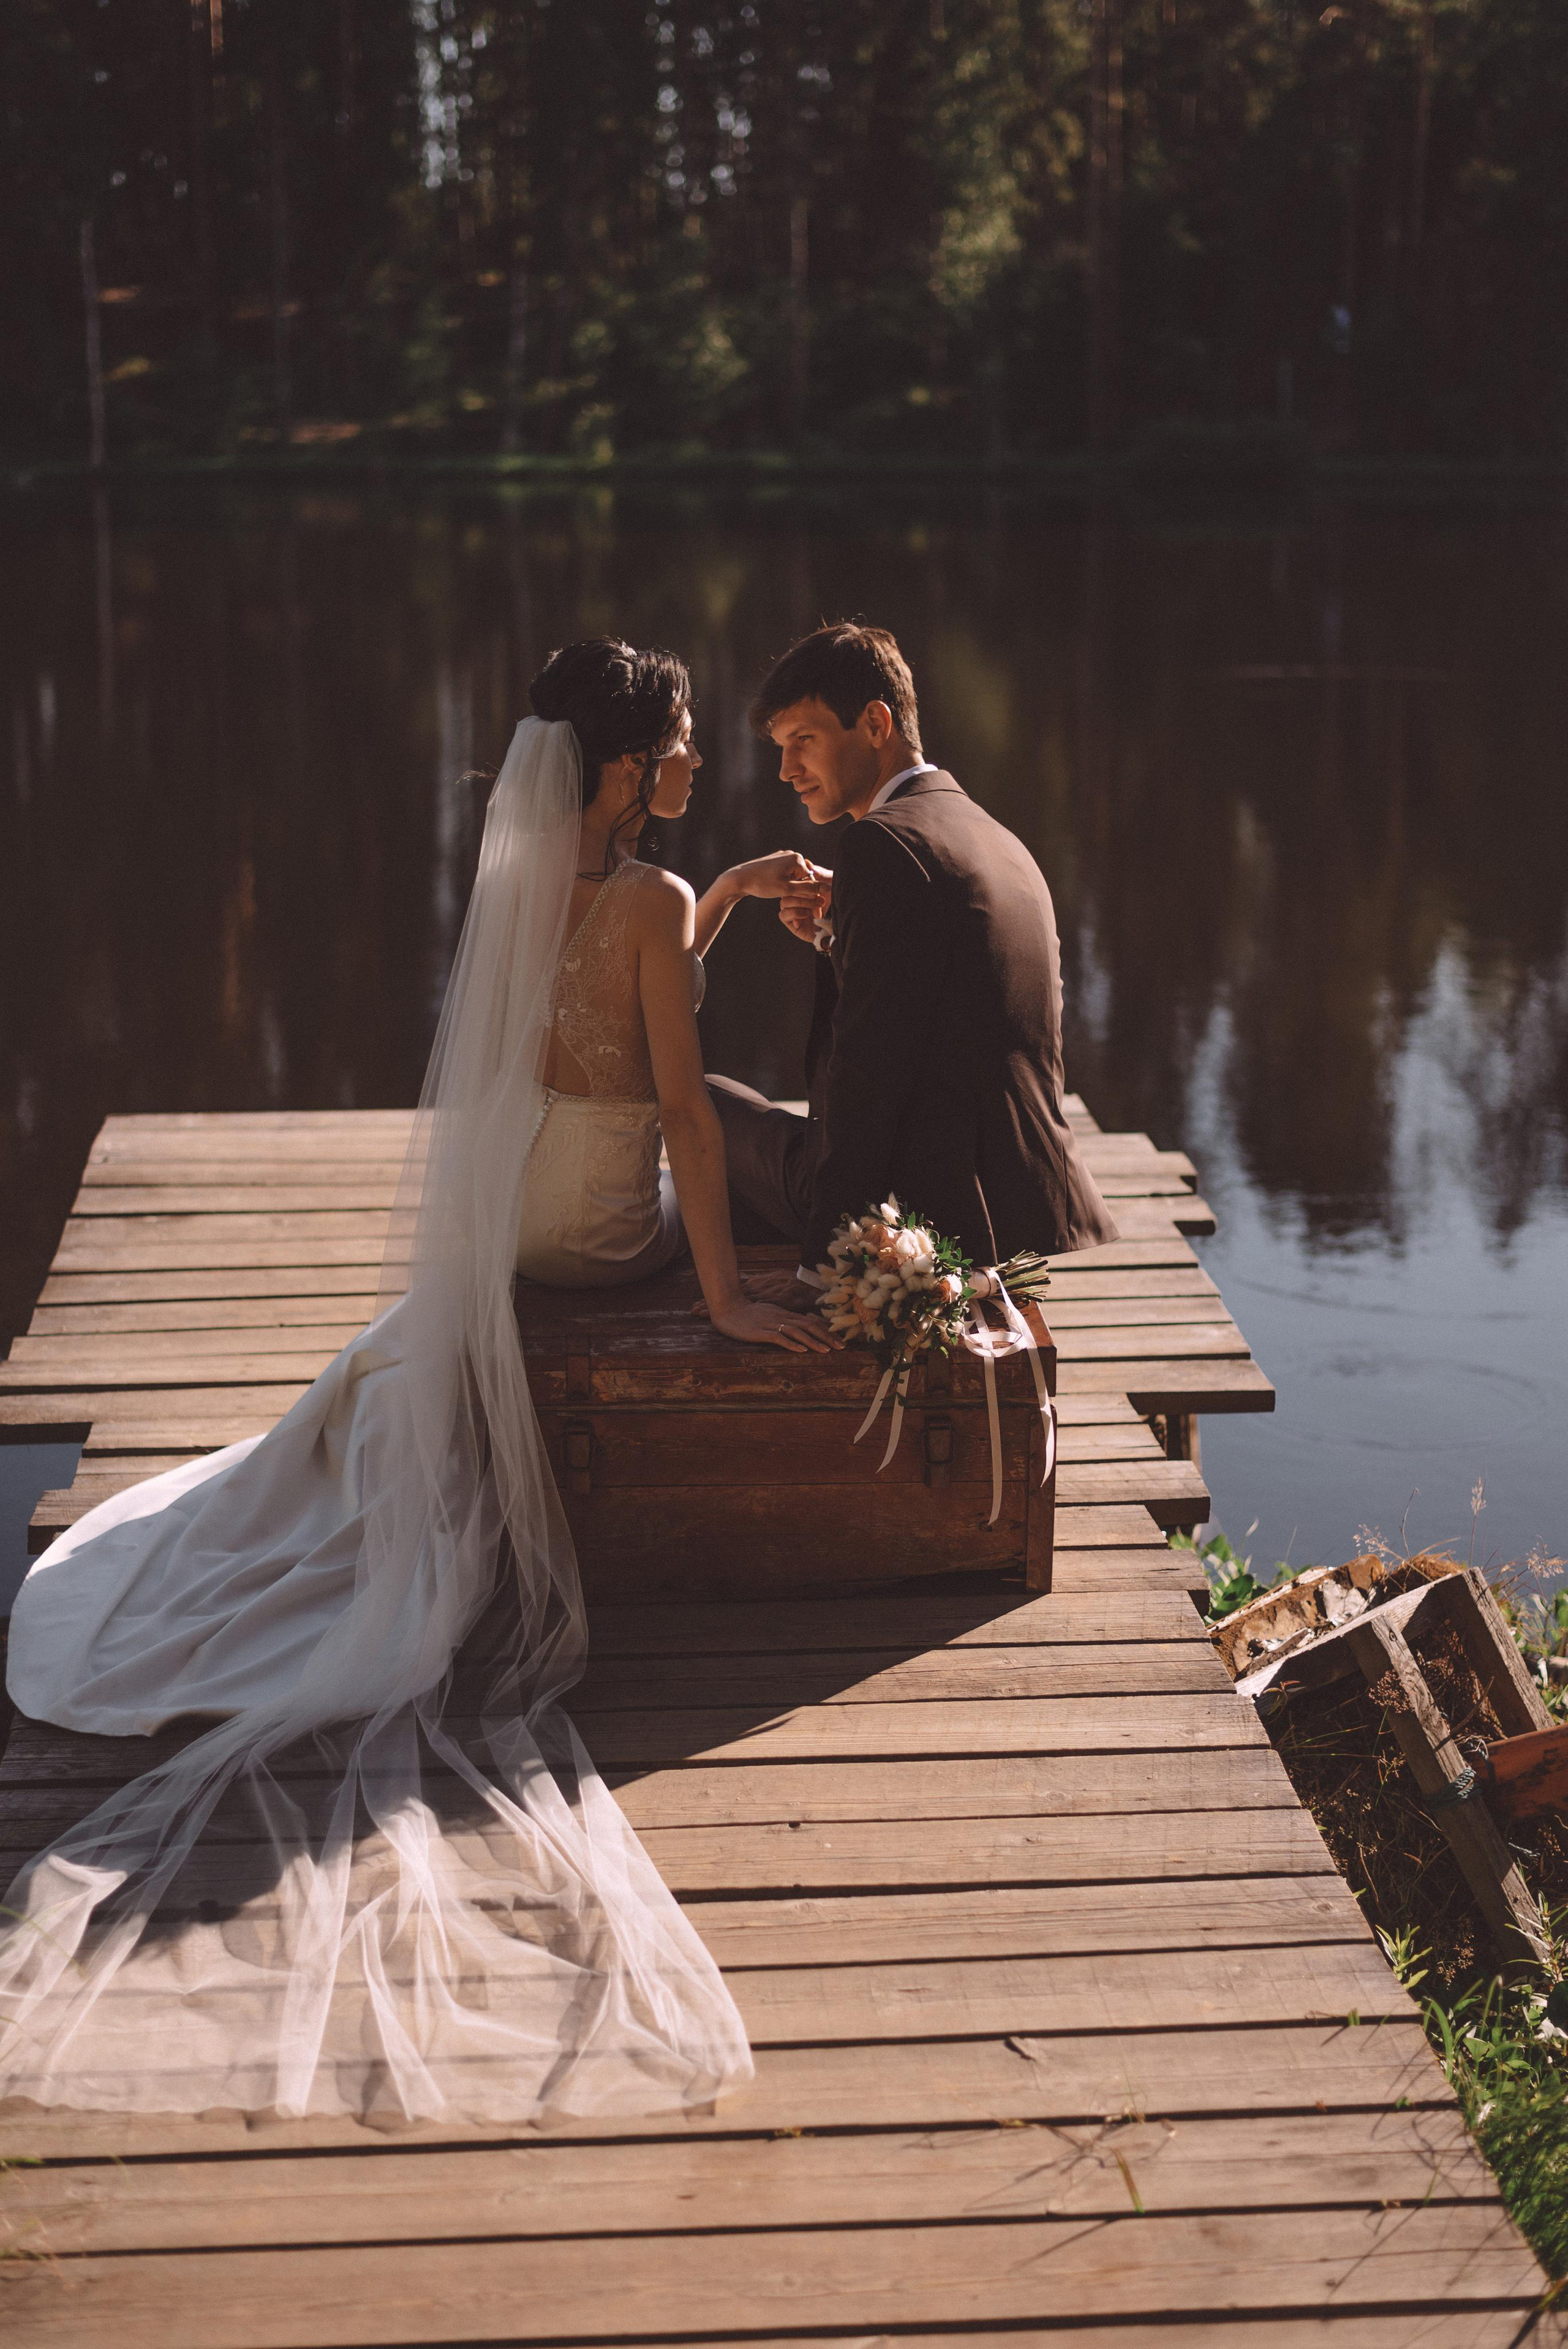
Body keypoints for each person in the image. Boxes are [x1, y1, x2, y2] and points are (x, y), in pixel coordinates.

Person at [0, 638, 818, 2130]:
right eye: (684, 743)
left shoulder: (528, 875)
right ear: (630, 772)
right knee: (743, 1161)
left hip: (510, 1215)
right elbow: (681, 1108)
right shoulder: (649, 897)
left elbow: (600, 994)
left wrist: (740, 890)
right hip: (591, 1235)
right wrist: (720, 1294)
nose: (697, 762)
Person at [706, 621, 1121, 1311]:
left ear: (875, 723)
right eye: (781, 750)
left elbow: (866, 1076)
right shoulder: (993, 835)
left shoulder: (880, 846)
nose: (786, 771)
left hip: (932, 1211)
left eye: (802, 742)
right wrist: (837, 932)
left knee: (705, 1104)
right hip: (1023, 1205)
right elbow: (941, 1008)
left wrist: (824, 1270)